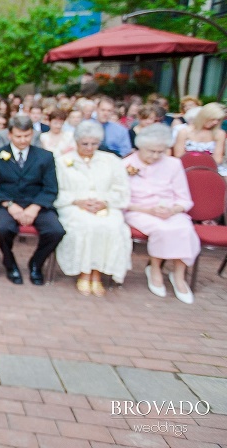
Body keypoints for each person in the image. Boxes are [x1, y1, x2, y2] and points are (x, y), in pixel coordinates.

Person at [54, 121, 131, 297]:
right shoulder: (62, 161)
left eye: (94, 144)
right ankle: (84, 272)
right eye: (85, 144)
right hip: (73, 206)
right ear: (76, 141)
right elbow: (57, 190)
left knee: (113, 226)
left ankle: (98, 274)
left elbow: (121, 187)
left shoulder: (111, 160)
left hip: (106, 205)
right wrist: (76, 201)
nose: (89, 148)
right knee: (86, 225)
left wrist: (105, 201)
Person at [123, 124, 198, 304]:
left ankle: (178, 275)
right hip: (139, 211)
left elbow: (184, 198)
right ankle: (155, 268)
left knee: (184, 229)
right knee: (161, 230)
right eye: (151, 151)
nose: (156, 156)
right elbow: (121, 201)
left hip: (169, 210)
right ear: (140, 146)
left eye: (160, 151)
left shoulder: (174, 164)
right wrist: (148, 210)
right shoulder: (125, 164)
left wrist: (173, 210)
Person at [0, 116, 65, 285]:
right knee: (1, 228)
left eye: (27, 136)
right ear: (10, 135)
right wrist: (9, 205)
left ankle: (36, 263)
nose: (23, 140)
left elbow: (51, 188)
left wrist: (35, 207)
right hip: (6, 203)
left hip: (36, 203)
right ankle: (9, 263)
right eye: (18, 136)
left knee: (56, 231)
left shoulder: (45, 157)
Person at [173, 102, 226, 169]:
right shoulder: (184, 132)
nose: (215, 122)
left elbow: (218, 159)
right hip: (185, 167)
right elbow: (178, 156)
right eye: (213, 119)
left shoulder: (219, 134)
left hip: (211, 168)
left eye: (218, 120)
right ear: (204, 116)